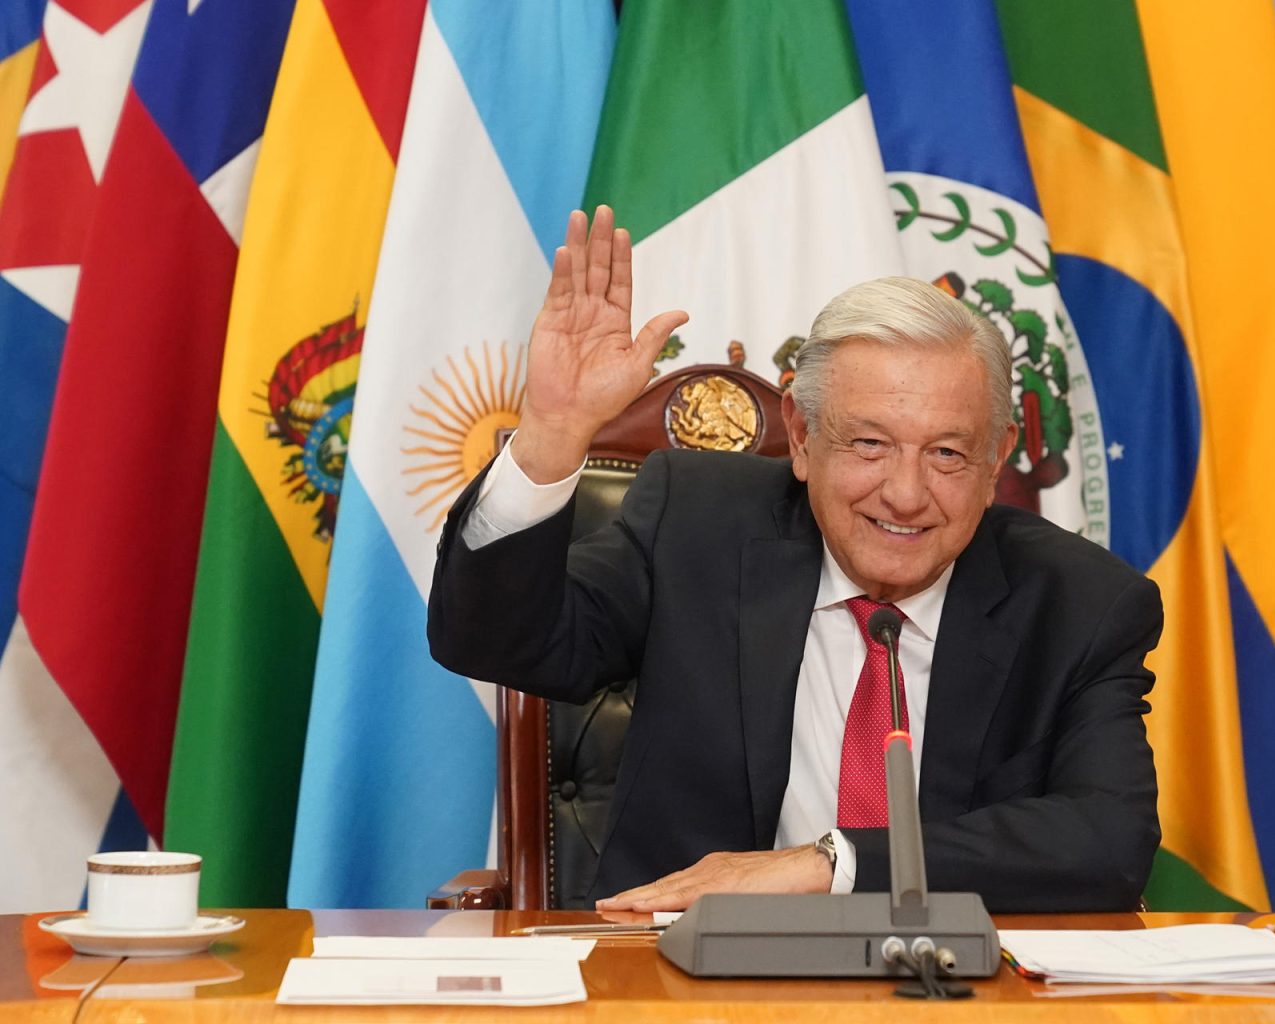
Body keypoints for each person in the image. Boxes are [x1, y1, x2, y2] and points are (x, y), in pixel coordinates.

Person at [427, 206, 1163, 913]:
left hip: (949, 994)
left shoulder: (1081, 604)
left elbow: (1109, 841)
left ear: (998, 456)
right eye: (869, 444)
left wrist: (830, 863)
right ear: (803, 436)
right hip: (682, 987)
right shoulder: (696, 524)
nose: (906, 495)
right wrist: (554, 431)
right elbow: (494, 638)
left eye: (946, 453)